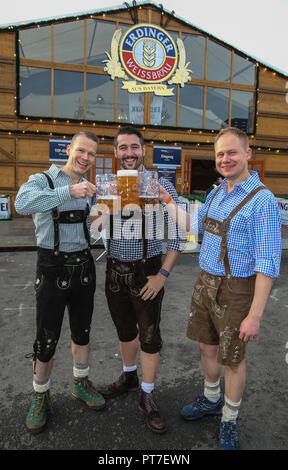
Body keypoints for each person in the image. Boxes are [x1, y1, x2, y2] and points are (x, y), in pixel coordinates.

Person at [158, 127, 281, 449]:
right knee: (206, 347)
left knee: (234, 359)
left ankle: (229, 418)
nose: (225, 159)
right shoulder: (217, 192)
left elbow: (267, 264)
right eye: (220, 154)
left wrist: (254, 316)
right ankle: (212, 399)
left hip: (238, 290)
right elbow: (194, 228)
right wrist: (167, 201)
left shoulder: (262, 201)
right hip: (205, 284)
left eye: (232, 152)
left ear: (248, 154)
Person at [93, 126, 184, 434]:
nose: (129, 153)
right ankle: (129, 376)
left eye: (134, 147)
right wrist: (106, 208)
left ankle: (147, 394)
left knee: (149, 336)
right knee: (124, 330)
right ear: (116, 152)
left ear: (143, 150)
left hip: (148, 271)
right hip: (115, 270)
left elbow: (180, 235)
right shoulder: (107, 184)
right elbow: (93, 227)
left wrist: (162, 275)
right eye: (123, 148)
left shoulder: (162, 185)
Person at [14, 131, 105, 434]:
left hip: (84, 266)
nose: (86, 158)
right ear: (69, 149)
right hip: (51, 267)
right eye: (81, 150)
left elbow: (89, 228)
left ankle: (80, 383)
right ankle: (40, 395)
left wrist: (104, 217)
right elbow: (22, 204)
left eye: (92, 154)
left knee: (82, 331)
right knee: (47, 337)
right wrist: (69, 192)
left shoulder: (90, 188)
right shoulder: (44, 179)